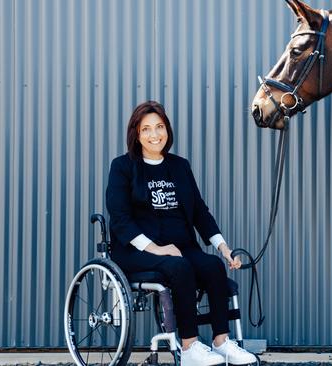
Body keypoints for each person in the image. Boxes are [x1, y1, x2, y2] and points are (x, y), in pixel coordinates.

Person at [106, 100, 257, 366]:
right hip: (137, 251)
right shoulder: (123, 167)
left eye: (160, 127)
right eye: (146, 129)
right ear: (136, 134)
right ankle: (189, 348)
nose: (155, 135)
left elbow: (199, 211)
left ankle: (221, 342)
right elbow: (119, 219)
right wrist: (156, 248)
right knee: (180, 267)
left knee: (211, 265)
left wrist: (223, 248)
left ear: (168, 130)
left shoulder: (179, 166)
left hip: (181, 247)